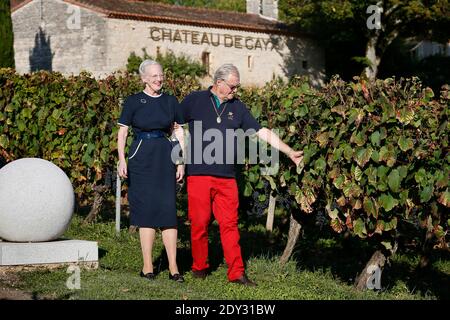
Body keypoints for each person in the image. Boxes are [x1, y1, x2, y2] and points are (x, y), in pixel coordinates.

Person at [179, 63, 303, 286]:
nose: (236, 91)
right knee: (199, 223)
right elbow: (174, 123)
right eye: (233, 87)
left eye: (238, 87)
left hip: (227, 178)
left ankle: (236, 272)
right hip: (198, 174)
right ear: (219, 83)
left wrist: (289, 151)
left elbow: (262, 131)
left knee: (230, 225)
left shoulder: (238, 107)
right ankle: (200, 267)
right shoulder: (194, 100)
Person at [117, 60, 185, 282]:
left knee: (167, 210)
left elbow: (178, 134)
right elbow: (123, 133)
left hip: (165, 155)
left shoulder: (170, 101)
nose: (158, 79)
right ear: (144, 78)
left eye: (161, 75)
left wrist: (181, 161)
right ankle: (148, 267)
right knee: (145, 211)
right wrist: (121, 159)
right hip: (140, 156)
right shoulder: (133, 101)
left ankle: (174, 268)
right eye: (153, 76)